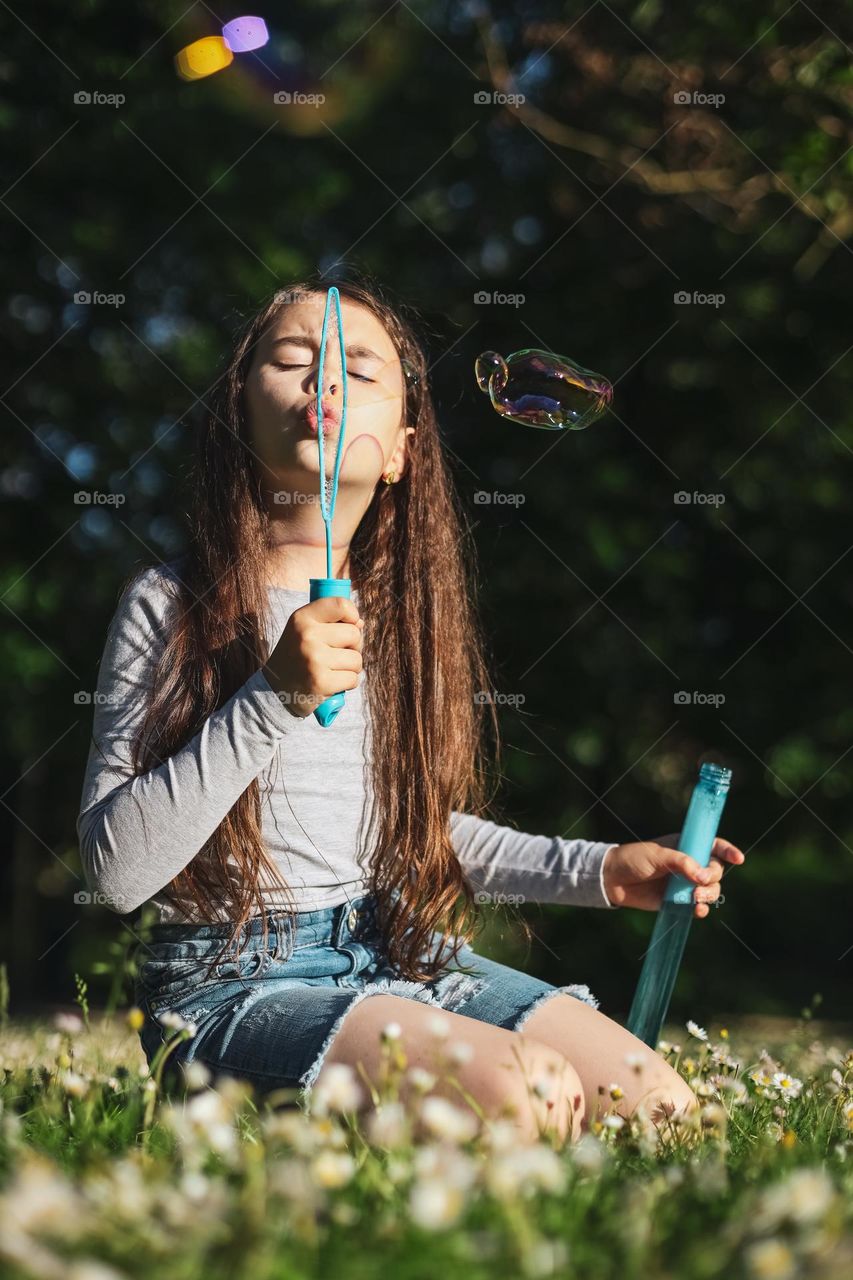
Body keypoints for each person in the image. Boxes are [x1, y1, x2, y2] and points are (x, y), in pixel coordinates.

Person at [77, 271, 745, 1146]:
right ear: (238, 413)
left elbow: (408, 834)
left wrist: (600, 871)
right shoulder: (170, 605)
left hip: (394, 947)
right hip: (232, 983)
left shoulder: (399, 627)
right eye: (292, 359)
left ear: (398, 449)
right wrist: (273, 697)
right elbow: (115, 873)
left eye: (358, 371)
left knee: (661, 1111)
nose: (324, 379)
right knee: (531, 1095)